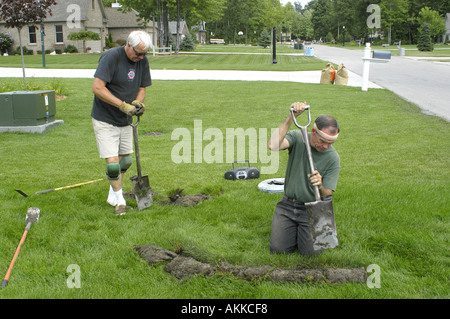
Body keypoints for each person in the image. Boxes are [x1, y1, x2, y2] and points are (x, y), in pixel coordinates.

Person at [91, 30, 152, 215]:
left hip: (125, 120)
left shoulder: (142, 61)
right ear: (128, 45)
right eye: (138, 53)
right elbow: (97, 87)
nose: (140, 57)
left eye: (144, 54)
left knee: (125, 161)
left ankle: (112, 191)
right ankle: (120, 200)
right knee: (112, 164)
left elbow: (142, 87)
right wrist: (122, 105)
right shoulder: (111, 57)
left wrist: (137, 103)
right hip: (105, 118)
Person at [268, 101, 340, 255]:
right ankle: (291, 231)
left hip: (313, 207)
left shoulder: (333, 158)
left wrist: (320, 185)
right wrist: (290, 117)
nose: (325, 146)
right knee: (278, 250)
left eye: (330, 143)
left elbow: (327, 193)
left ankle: (301, 233)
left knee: (311, 254)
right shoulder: (298, 137)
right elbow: (273, 146)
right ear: (313, 132)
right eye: (322, 141)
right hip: (287, 205)